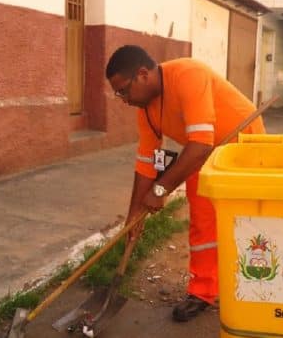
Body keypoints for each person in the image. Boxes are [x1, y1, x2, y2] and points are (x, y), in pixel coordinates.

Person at [105, 45, 266, 322]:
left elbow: (200, 144)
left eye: (123, 91)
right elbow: (146, 162)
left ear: (142, 75)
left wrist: (160, 190)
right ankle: (203, 292)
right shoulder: (145, 109)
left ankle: (253, 285)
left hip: (242, 145)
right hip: (201, 151)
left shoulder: (188, 74)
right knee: (203, 220)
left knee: (242, 221)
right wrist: (134, 215)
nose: (123, 99)